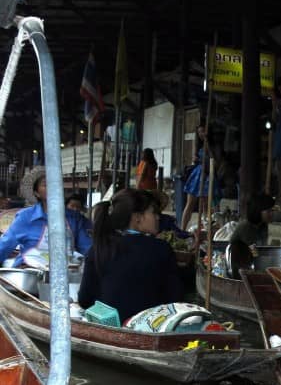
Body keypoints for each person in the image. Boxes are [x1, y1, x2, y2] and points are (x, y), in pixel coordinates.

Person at [78, 188, 183, 322]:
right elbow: (175, 300)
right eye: (154, 212)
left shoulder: (99, 248)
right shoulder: (161, 249)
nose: (158, 217)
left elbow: (84, 300)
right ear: (137, 218)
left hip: (110, 330)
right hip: (149, 331)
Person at [0, 170, 92, 268]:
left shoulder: (74, 218)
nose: (53, 187)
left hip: (67, 273)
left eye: (55, 183)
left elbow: (88, 249)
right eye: (46, 185)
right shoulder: (25, 217)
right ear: (37, 193)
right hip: (30, 273)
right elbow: (4, 246)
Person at [181, 122, 220, 230]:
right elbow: (194, 159)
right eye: (199, 132)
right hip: (197, 175)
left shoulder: (214, 145)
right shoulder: (197, 144)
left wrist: (207, 144)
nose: (201, 134)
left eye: (203, 131)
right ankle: (182, 229)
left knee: (206, 207)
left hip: (208, 175)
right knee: (190, 204)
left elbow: (215, 161)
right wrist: (195, 159)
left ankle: (205, 230)